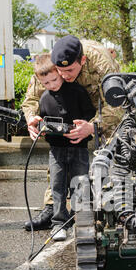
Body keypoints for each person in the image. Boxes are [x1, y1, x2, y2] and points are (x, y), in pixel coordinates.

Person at [22, 36, 123, 231]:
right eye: (60, 70)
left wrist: (92, 126)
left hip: (99, 106)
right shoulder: (54, 61)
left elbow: (116, 107)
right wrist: (31, 119)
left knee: (112, 151)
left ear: (82, 61)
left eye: (69, 71)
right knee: (59, 156)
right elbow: (32, 98)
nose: (64, 75)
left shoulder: (101, 62)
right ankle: (53, 208)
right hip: (68, 105)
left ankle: (115, 204)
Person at [32, 54, 96, 240]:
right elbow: (43, 121)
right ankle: (59, 223)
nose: (52, 85)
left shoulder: (78, 91)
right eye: (46, 83)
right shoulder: (44, 98)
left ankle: (80, 221)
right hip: (56, 150)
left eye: (54, 79)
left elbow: (90, 114)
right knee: (57, 186)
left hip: (79, 148)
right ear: (40, 82)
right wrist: (42, 130)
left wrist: (85, 129)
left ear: (59, 72)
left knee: (80, 184)